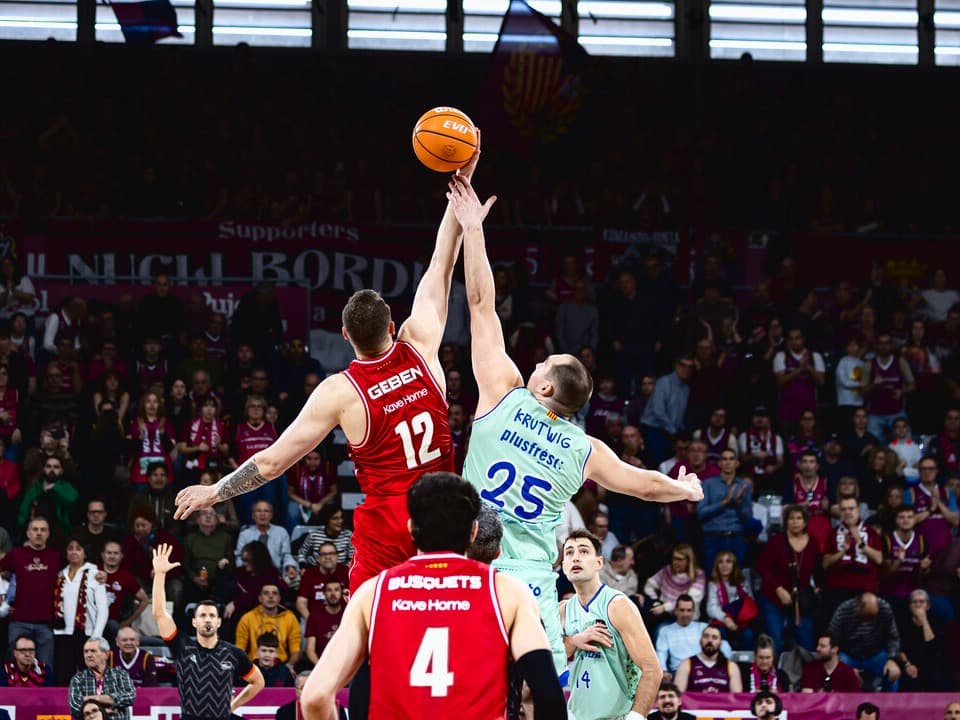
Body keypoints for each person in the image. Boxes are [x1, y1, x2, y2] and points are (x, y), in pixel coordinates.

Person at [175, 145, 486, 596]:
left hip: (387, 532)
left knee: (365, 638)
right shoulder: (420, 344)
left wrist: (214, 492)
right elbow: (443, 261)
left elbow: (273, 461)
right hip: (446, 519)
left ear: (343, 334)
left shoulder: (341, 391)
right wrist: (463, 184)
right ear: (393, 326)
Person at [445, 156, 701, 679]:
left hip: (473, 560)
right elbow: (646, 486)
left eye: (541, 364)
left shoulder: (502, 394)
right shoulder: (585, 450)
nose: (534, 363)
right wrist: (688, 491)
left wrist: (473, 230)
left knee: (467, 684)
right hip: (534, 579)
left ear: (543, 386)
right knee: (542, 692)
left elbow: (479, 303)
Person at [300, 471, 566, 720]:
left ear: (411, 528)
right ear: (473, 531)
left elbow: (315, 697)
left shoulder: (372, 593)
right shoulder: (508, 592)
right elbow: (548, 695)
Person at [151, 544, 266, 718]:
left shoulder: (233, 653)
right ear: (194, 622)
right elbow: (159, 613)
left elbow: (258, 682)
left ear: (219, 622)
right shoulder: (182, 645)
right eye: (203, 615)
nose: (207, 619)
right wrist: (160, 575)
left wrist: (233, 706)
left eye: (212, 615)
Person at [560, 529, 661, 720]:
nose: (575, 558)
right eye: (569, 553)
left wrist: (636, 717)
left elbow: (652, 669)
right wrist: (574, 640)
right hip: (576, 714)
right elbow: (551, 659)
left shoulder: (617, 605)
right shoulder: (563, 609)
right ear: (564, 566)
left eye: (583, 551)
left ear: (599, 563)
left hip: (616, 715)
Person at [756, 505, 819, 653]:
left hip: (801, 600)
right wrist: (778, 589)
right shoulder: (776, 541)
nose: (795, 522)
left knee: (806, 644)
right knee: (775, 642)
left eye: (799, 518)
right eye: (791, 518)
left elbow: (818, 570)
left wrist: (817, 589)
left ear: (805, 522)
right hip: (774, 597)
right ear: (786, 521)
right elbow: (762, 568)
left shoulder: (813, 543)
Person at [1, 517, 60, 669]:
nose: (39, 533)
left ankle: (46, 695)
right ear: (28, 533)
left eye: (43, 530)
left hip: (45, 623)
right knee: (12, 667)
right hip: (19, 621)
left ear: (48, 534)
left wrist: (97, 574)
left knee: (46, 668)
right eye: (35, 529)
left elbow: (74, 572)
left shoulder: (56, 557)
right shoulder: (17, 554)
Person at [54, 539, 110, 685]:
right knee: (63, 676)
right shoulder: (60, 575)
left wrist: (96, 636)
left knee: (90, 678)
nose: (74, 552)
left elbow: (103, 608)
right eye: (70, 548)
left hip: (87, 634)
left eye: (78, 549)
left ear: (85, 553)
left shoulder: (94, 573)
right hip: (62, 634)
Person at [827, 592, 901, 692]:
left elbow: (893, 637)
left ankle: (890, 704)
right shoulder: (843, 610)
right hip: (849, 655)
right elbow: (831, 639)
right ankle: (842, 705)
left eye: (873, 617)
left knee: (893, 672)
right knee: (837, 671)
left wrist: (892, 659)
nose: (869, 621)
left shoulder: (885, 608)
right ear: (857, 607)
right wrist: (843, 666)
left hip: (875, 654)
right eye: (866, 616)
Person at [697, 448, 753, 571]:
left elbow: (748, 518)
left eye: (731, 459)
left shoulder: (744, 486)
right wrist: (724, 503)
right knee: (710, 576)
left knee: (737, 578)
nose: (728, 462)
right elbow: (701, 513)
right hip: (712, 537)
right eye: (724, 459)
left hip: (736, 537)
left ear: (737, 463)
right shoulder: (707, 484)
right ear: (719, 463)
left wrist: (739, 503)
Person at [655, 595, 733, 683]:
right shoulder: (665, 630)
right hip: (677, 671)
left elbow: (723, 644)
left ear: (693, 612)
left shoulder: (703, 628)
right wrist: (664, 671)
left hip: (704, 669)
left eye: (689, 610)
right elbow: (661, 653)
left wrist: (725, 665)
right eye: (682, 610)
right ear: (676, 611)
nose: (685, 614)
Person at [67, 637, 136, 720]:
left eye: (93, 651)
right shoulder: (78, 679)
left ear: (106, 654)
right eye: (86, 651)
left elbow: (129, 696)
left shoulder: (120, 675)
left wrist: (94, 698)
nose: (88, 655)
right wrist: (103, 711)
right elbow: (75, 707)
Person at [235, 584, 302, 668]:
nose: (270, 596)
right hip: (254, 666)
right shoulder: (247, 618)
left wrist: (290, 666)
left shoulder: (290, 618)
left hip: (281, 665)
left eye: (274, 593)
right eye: (266, 593)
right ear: (260, 598)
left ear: (279, 598)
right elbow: (240, 649)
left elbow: (295, 650)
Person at [673, 625, 743, 693]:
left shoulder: (731, 667)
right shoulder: (686, 664)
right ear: (700, 640)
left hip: (722, 705)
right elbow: (678, 696)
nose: (710, 640)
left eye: (714, 637)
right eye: (706, 636)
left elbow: (736, 699)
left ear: (721, 643)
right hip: (695, 705)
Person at [296, 542, 351, 621]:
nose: (328, 557)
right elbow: (301, 602)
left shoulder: (346, 572)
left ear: (337, 556)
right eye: (324, 554)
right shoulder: (309, 574)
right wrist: (312, 623)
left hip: (343, 621)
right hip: (315, 620)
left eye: (331, 553)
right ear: (318, 558)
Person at [303, 579, 346, 666]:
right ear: (324, 593)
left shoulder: (349, 613)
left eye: (336, 590)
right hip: (321, 664)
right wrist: (321, 668)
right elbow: (310, 650)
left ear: (342, 593)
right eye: (329, 590)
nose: (333, 594)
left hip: (346, 665)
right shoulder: (314, 617)